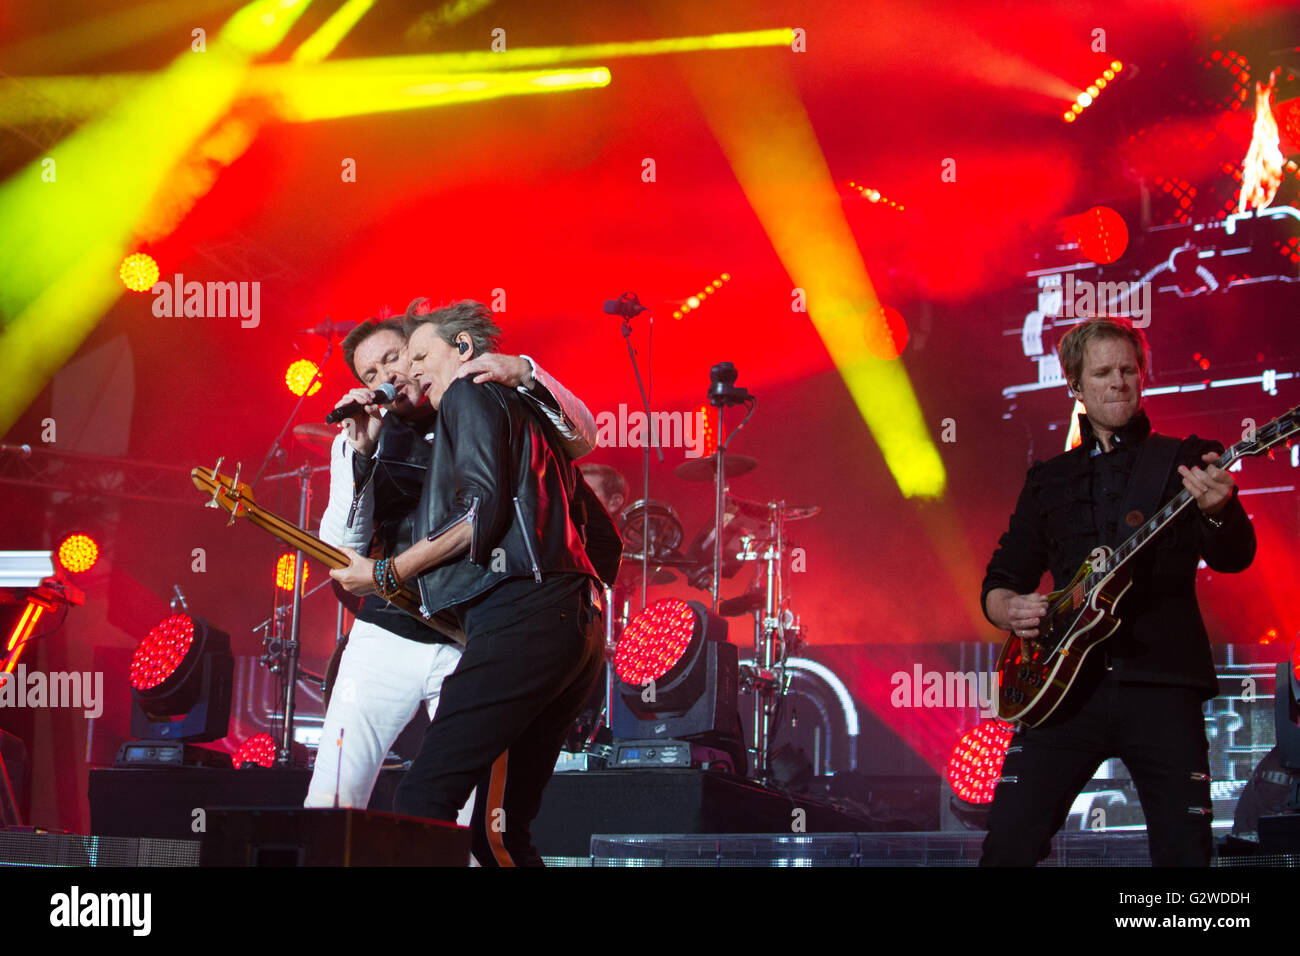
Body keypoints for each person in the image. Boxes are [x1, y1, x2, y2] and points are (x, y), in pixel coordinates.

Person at [330, 299, 606, 866]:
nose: (396, 375)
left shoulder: (471, 392)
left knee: (427, 801)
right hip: (554, 618)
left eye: (406, 358)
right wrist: (361, 453)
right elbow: (342, 549)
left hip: (517, 615)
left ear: (459, 350)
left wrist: (523, 367)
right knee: (497, 832)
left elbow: (482, 510)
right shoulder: (372, 433)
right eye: (372, 372)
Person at [980, 317, 1256, 866]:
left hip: (1162, 685)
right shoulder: (1048, 479)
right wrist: (1009, 608)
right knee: (1008, 846)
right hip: (1061, 690)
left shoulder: (1186, 459)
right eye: (1103, 372)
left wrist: (1219, 510)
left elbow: (1234, 557)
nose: (1118, 382)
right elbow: (1002, 578)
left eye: (1128, 370)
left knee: (1184, 857)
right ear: (1076, 386)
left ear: (1142, 376)